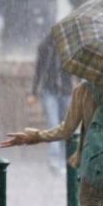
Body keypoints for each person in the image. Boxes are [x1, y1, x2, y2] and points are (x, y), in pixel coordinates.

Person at [28, 34, 76, 175]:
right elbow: (39, 70)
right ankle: (55, 162)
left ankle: (65, 160)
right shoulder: (46, 46)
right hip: (50, 92)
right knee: (53, 125)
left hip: (66, 92)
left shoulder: (71, 48)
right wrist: (33, 92)